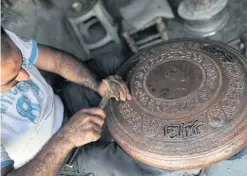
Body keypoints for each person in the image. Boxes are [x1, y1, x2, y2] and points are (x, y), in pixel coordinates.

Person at [1, 27, 247, 176]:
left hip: (64, 104)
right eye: (9, 80)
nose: (25, 76)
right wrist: (65, 140)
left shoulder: (5, 41)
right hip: (51, 160)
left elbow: (56, 62)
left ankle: (213, 125)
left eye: (21, 64)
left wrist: (96, 83)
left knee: (115, 63)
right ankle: (196, 155)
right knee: (142, 167)